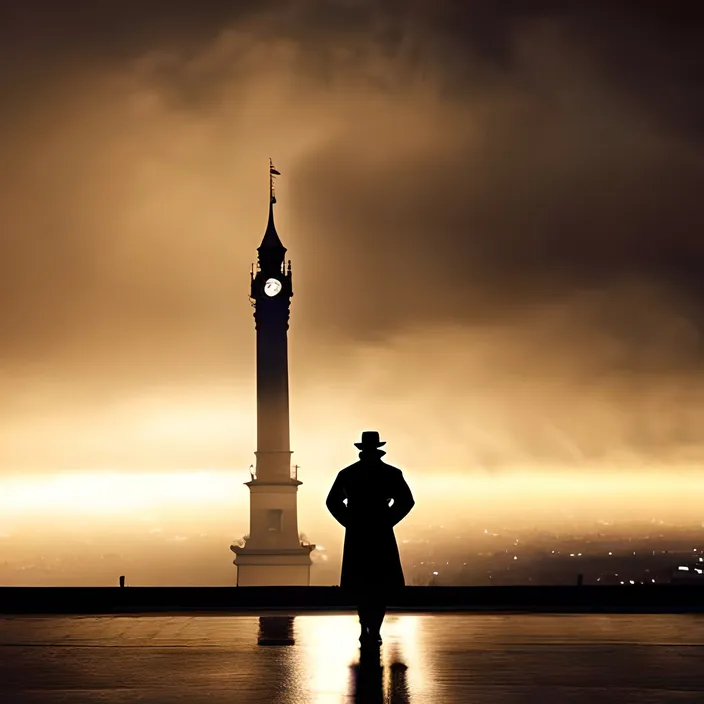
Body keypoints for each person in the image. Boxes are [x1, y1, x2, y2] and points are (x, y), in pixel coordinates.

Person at [326, 431, 415, 645]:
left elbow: (333, 502)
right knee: (380, 584)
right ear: (378, 450)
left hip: (357, 532)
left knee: (360, 582)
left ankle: (366, 626)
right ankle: (374, 629)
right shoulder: (391, 473)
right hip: (380, 532)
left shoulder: (348, 474)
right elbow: (406, 501)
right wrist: (388, 519)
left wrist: (349, 521)